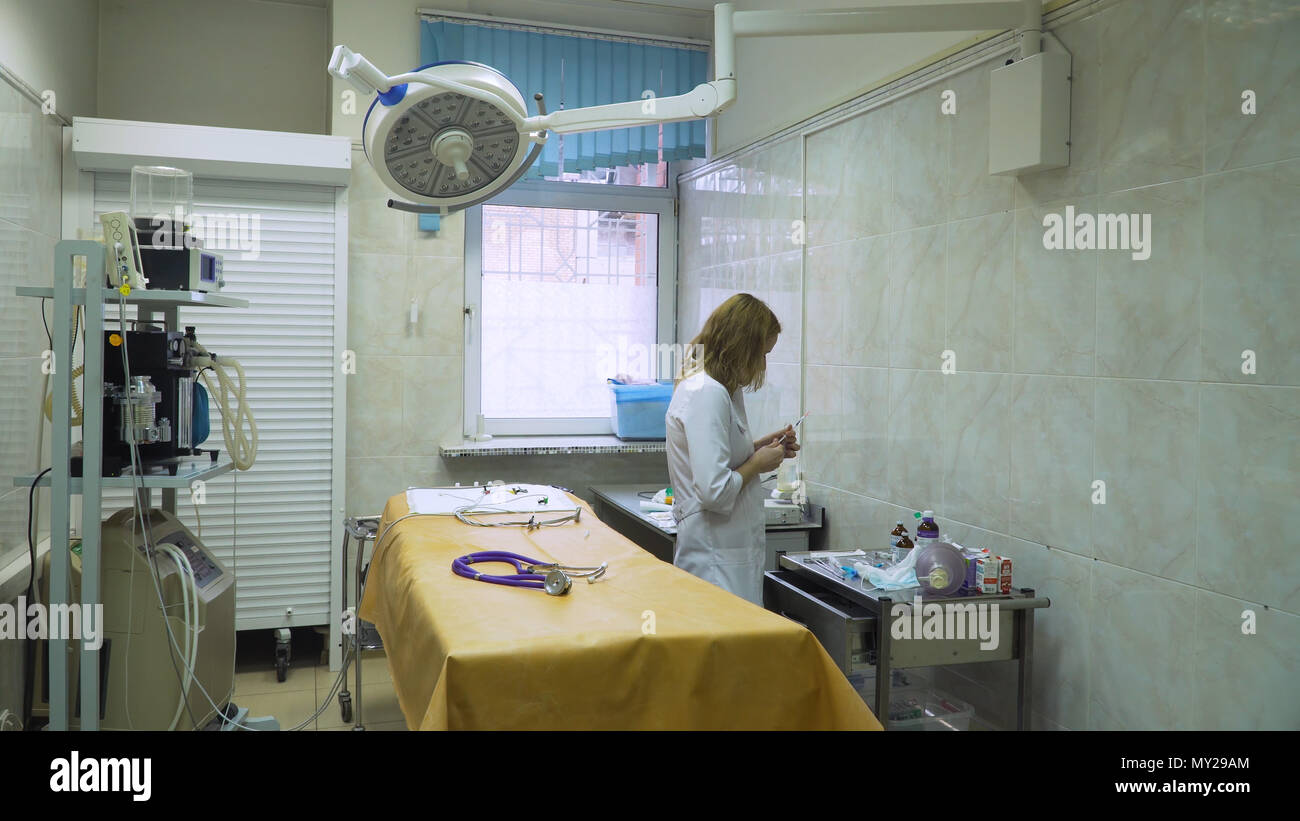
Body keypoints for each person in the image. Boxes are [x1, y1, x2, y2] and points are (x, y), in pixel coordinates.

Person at [665, 293, 799, 605]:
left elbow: (717, 456)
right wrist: (758, 464)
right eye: (763, 354)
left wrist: (759, 448)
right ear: (743, 347)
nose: (764, 364)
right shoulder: (707, 393)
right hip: (714, 562)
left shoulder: (721, 389)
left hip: (727, 557)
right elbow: (714, 490)